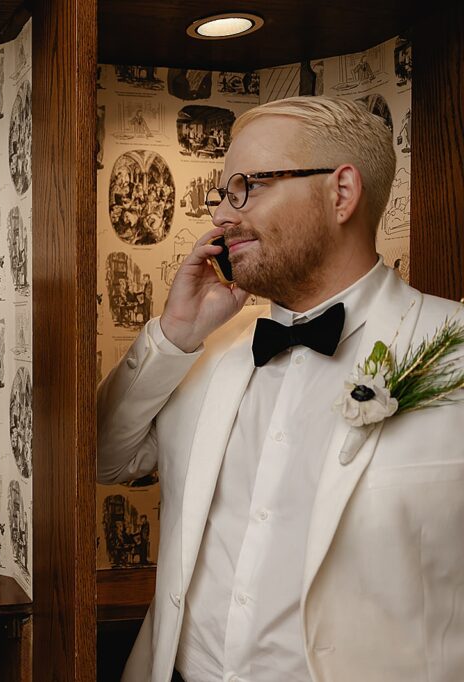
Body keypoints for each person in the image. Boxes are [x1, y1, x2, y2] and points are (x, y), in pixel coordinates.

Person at [98, 96, 464, 682]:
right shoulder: (204, 351)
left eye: (247, 186)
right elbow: (105, 457)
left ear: (341, 193)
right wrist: (174, 335)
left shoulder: (455, 350)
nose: (222, 215)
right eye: (223, 193)